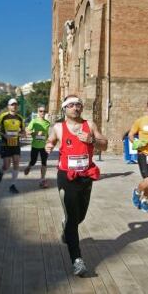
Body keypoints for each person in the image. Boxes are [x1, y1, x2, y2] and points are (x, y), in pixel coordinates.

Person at [45, 95, 108, 276]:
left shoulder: (90, 126)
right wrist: (48, 146)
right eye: (71, 105)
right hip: (67, 177)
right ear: (65, 108)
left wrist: (92, 140)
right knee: (74, 220)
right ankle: (77, 260)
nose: (75, 108)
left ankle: (66, 225)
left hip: (85, 176)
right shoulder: (58, 127)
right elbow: (50, 140)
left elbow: (104, 145)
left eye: (78, 105)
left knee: (80, 217)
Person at [0, 98, 25, 194]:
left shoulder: (20, 118)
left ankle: (12, 185)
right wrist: (4, 135)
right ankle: (1, 172)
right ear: (8, 106)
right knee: (6, 165)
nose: (14, 106)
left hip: (15, 144)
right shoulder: (3, 116)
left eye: (15, 104)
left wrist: (21, 134)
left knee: (16, 163)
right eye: (12, 104)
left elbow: (23, 131)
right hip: (5, 144)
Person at [24, 105, 51, 188]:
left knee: (44, 162)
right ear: (38, 112)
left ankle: (42, 179)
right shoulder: (34, 121)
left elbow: (47, 134)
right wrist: (34, 133)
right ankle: (29, 166)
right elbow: (27, 130)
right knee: (33, 161)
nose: (42, 113)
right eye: (41, 111)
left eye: (44, 111)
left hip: (44, 146)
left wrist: (49, 142)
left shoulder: (47, 123)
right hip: (35, 145)